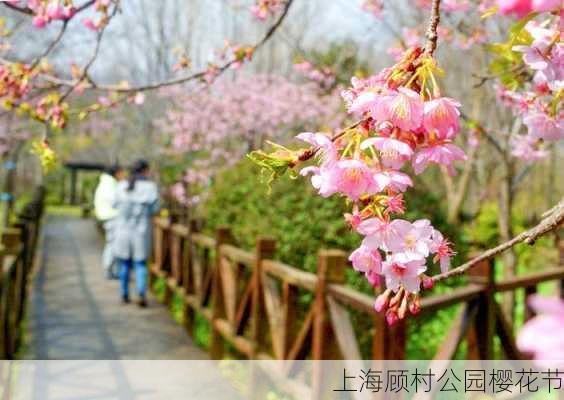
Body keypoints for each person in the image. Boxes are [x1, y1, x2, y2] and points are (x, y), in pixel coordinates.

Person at [113, 159, 160, 307]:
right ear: (145, 170)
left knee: (125, 263)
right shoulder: (151, 187)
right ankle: (141, 293)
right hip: (141, 231)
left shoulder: (121, 186)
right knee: (140, 264)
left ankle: (124, 294)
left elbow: (114, 205)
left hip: (123, 231)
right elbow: (155, 209)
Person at [94, 164, 126, 279]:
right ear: (116, 173)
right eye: (121, 172)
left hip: (107, 217)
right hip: (112, 217)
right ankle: (109, 269)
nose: (123, 175)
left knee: (111, 243)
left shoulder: (107, 183)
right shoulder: (110, 184)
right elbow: (115, 201)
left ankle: (111, 269)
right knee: (113, 244)